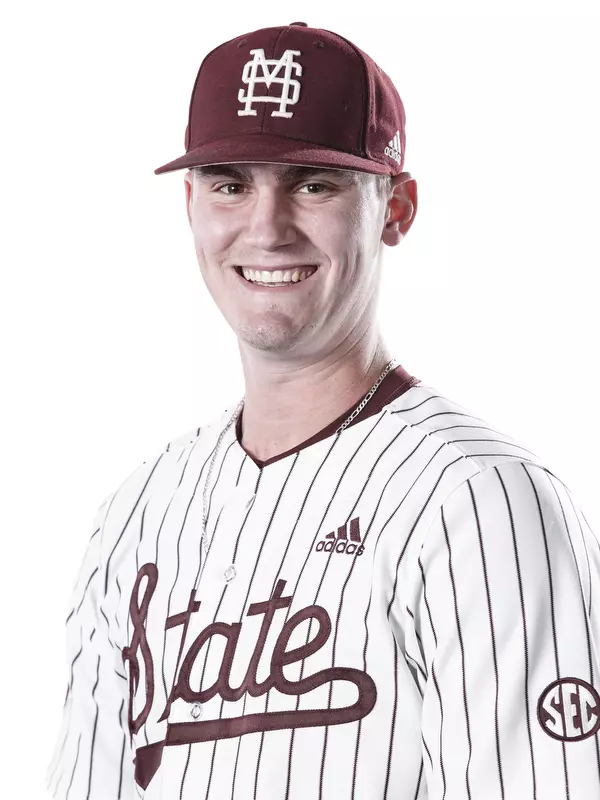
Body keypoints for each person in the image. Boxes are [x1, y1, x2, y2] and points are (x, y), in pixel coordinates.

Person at [46, 21, 600, 800]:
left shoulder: (480, 502)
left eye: (313, 184)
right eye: (231, 184)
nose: (266, 228)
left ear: (396, 208)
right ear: (191, 205)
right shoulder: (137, 513)